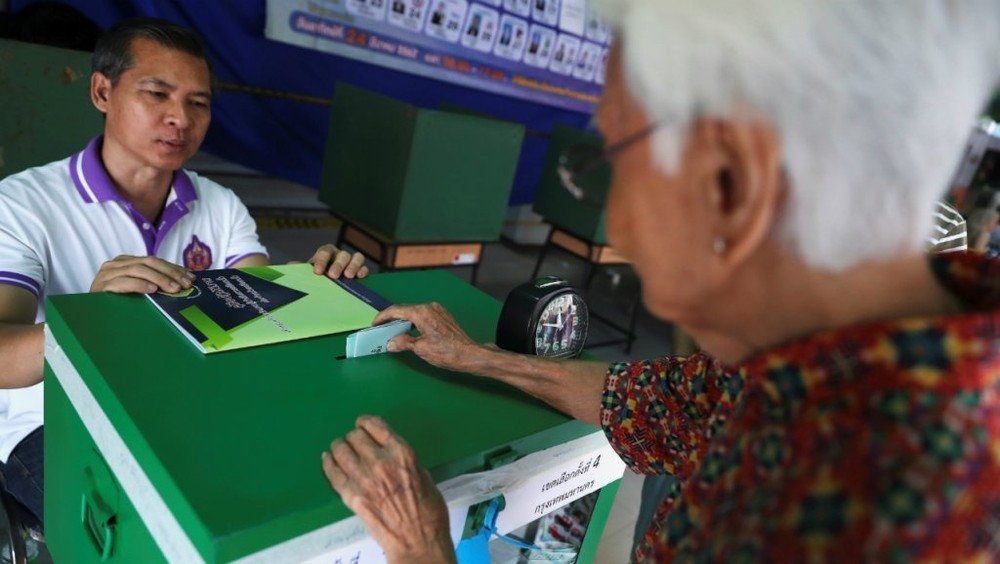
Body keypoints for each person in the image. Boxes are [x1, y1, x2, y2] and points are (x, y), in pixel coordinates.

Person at [321, 1, 1000, 562]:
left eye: (612, 161)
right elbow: (645, 401)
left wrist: (423, 548)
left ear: (730, 185)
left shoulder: (816, 524)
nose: (614, 212)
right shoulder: (837, 355)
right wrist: (473, 357)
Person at [0, 17, 368, 525]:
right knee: (140, 537)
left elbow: (260, 302)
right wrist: (92, 321)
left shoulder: (219, 205)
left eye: (199, 102)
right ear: (102, 91)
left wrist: (316, 284)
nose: (181, 118)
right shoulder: (21, 205)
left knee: (276, 507)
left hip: (187, 405)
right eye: (157, 93)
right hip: (55, 420)